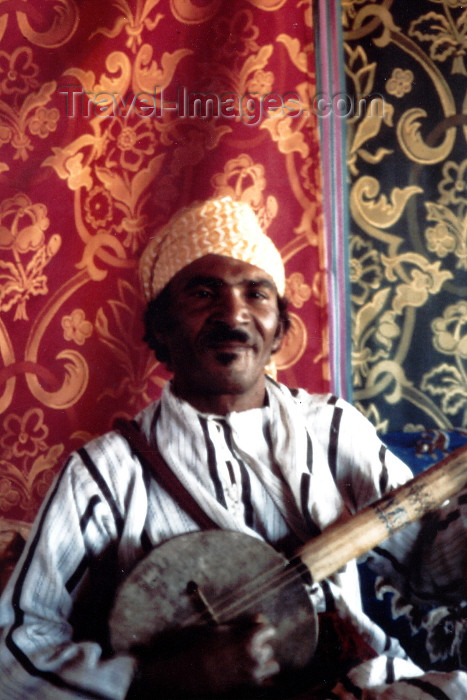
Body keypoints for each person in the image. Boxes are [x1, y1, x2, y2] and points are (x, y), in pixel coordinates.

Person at [0, 195, 466, 699]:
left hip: (354, 685)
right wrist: (158, 676)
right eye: (203, 293)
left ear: (279, 329)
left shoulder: (333, 430)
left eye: (257, 293)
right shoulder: (104, 474)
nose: (234, 314)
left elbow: (433, 568)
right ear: (161, 326)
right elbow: (15, 654)